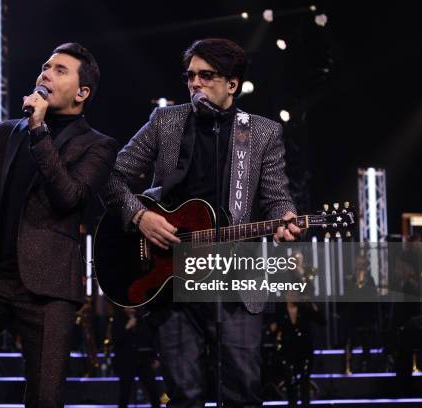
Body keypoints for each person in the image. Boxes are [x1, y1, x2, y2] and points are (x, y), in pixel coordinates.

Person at [104, 38, 300, 407]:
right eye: (190, 75)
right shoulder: (167, 122)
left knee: (242, 393)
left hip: (237, 282)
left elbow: (277, 198)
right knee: (185, 396)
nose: (195, 83)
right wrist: (140, 216)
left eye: (206, 76)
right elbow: (111, 175)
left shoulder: (262, 132)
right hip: (171, 281)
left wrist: (284, 218)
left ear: (232, 84)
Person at [0, 42, 118, 407]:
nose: (45, 72)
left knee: (45, 396)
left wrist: (39, 130)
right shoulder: (3, 132)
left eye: (60, 70)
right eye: (45, 65)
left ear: (82, 92)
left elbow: (69, 197)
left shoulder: (98, 146)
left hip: (48, 289)